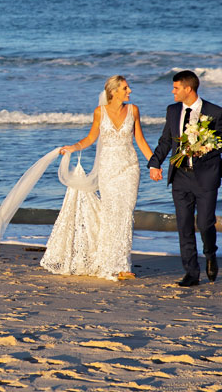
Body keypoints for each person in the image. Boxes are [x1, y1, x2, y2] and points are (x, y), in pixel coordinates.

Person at [38, 75, 155, 280]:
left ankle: (123, 265)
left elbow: (140, 140)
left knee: (126, 213)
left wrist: (154, 164)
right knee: (111, 213)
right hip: (108, 168)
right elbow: (91, 138)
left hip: (129, 167)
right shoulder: (99, 112)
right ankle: (110, 264)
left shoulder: (133, 110)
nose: (129, 91)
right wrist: (73, 148)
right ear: (114, 91)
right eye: (125, 88)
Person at [148, 70, 222, 287]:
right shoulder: (173, 110)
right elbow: (166, 140)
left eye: (176, 88)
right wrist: (155, 163)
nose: (172, 91)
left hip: (206, 178)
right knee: (184, 226)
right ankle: (191, 273)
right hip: (180, 177)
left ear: (188, 89)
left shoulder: (215, 111)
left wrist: (205, 147)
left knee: (205, 224)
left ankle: (210, 254)